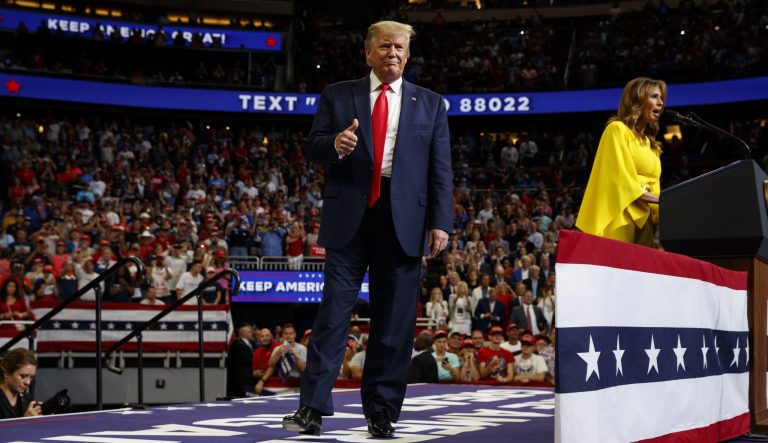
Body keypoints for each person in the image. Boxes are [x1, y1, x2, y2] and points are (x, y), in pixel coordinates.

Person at [283, 20, 452, 439]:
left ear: (407, 55)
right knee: (333, 316)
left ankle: (381, 411)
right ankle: (312, 409)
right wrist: (335, 145)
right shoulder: (338, 95)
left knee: (393, 325)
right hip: (350, 220)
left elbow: (441, 170)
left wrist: (440, 223)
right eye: (384, 47)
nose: (392, 53)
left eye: (399, 48)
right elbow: (313, 146)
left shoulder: (431, 104)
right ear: (368, 52)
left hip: (404, 223)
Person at [576, 77, 666, 247]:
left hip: (644, 220)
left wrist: (660, 210)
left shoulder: (650, 144)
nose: (660, 103)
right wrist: (665, 200)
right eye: (654, 97)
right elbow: (619, 180)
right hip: (619, 215)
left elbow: (655, 185)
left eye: (661, 98)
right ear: (637, 99)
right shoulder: (617, 130)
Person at [0, 348, 41, 418]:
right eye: (23, 376)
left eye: (31, 377)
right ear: (6, 373)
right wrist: (24, 421)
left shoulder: (27, 400)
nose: (28, 382)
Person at [226, 324, 255, 398]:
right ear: (243, 333)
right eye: (249, 331)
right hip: (242, 380)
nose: (252, 333)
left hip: (248, 379)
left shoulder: (249, 344)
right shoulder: (238, 344)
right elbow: (245, 360)